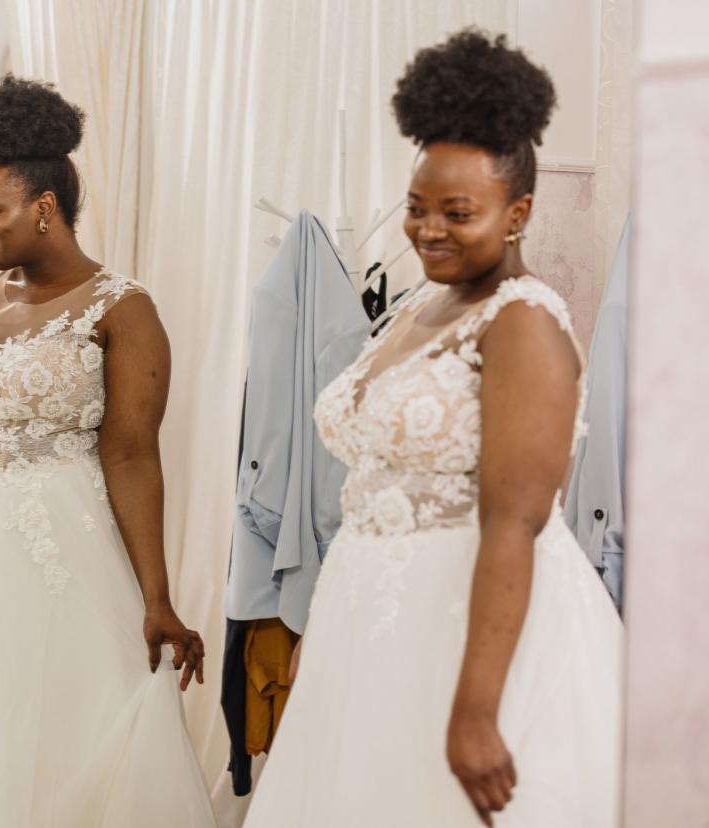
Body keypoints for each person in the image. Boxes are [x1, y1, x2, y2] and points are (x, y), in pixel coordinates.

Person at [243, 30, 622, 827]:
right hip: (368, 612)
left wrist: (478, 708)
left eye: (458, 213)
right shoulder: (424, 304)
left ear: (516, 213)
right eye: (417, 209)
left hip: (470, 629)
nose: (427, 231)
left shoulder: (523, 324)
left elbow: (513, 523)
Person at [0, 75, 216, 828]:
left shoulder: (122, 310)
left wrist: (156, 596)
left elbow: (131, 455)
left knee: (43, 717)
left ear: (44, 209)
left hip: (51, 540)